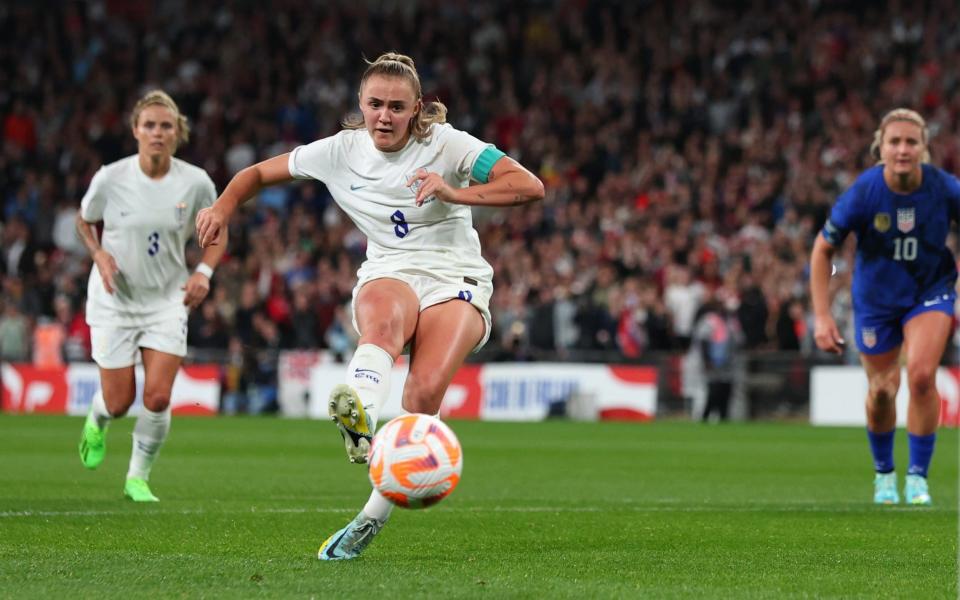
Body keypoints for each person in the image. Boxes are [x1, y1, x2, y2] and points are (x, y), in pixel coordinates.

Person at [196, 52, 544, 559]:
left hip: (457, 277)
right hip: (389, 270)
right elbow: (255, 174)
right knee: (382, 322)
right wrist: (222, 207)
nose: (384, 115)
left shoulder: (450, 145)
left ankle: (370, 517)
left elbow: (529, 186)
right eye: (375, 104)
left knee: (423, 394)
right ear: (360, 105)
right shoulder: (340, 151)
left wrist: (454, 191)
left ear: (417, 108)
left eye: (397, 107)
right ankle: (358, 416)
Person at [76, 90, 227, 502]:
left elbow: (218, 232)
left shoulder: (195, 182)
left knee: (158, 396)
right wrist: (99, 253)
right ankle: (99, 417)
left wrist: (204, 271)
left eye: (165, 126)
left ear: (178, 131)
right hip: (114, 300)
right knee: (119, 400)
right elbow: (85, 220)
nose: (157, 133)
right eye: (149, 125)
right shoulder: (111, 177)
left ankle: (136, 478)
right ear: (135, 131)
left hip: (166, 300)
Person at [810, 108, 959, 506]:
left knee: (923, 376)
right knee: (882, 393)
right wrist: (822, 316)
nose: (903, 149)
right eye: (895, 141)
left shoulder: (944, 188)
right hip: (876, 302)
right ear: (881, 146)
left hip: (930, 291)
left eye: (912, 141)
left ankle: (917, 477)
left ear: (924, 147)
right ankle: (883, 474)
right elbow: (824, 250)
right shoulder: (864, 192)